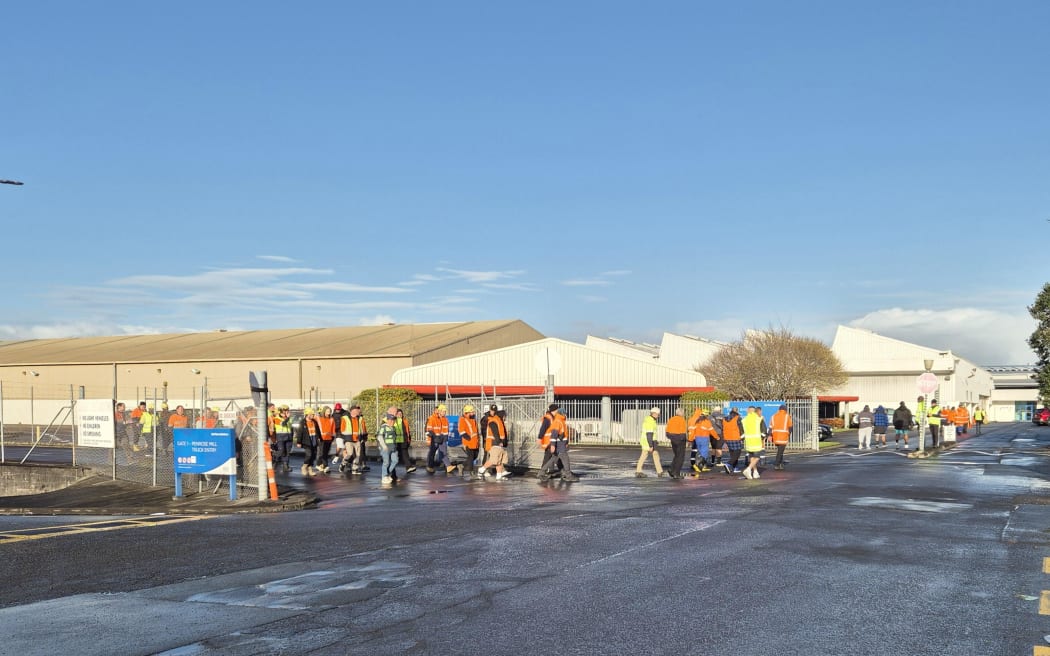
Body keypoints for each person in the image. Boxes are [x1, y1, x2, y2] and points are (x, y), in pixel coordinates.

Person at [537, 406, 579, 482]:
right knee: (565, 459)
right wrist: (552, 445)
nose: (566, 415)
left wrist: (566, 443)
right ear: (562, 414)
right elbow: (554, 434)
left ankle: (542, 473)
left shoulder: (559, 421)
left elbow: (562, 434)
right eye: (565, 414)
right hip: (559, 445)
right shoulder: (558, 421)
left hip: (559, 444)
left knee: (554, 459)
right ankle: (568, 475)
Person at [478, 404, 511, 479]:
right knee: (494, 460)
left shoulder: (498, 420)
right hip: (494, 443)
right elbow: (495, 432)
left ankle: (499, 475)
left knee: (499, 460)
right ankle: (481, 470)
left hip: (498, 443)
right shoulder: (493, 420)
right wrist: (499, 441)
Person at [425, 404, 456, 475]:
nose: (444, 413)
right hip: (435, 439)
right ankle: (430, 466)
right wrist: (434, 437)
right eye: (443, 411)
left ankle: (448, 466)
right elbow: (429, 429)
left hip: (442, 439)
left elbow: (446, 430)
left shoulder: (445, 419)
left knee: (443, 452)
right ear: (439, 411)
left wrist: (445, 437)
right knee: (432, 453)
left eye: (445, 411)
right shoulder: (432, 418)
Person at [636, 407, 666, 478]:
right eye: (658, 414)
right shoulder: (650, 421)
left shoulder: (650, 420)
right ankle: (638, 471)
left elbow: (652, 433)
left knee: (654, 455)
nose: (659, 416)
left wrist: (654, 441)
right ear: (654, 414)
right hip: (648, 442)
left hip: (650, 441)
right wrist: (650, 445)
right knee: (644, 455)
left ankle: (659, 471)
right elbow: (649, 433)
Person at [536, 404, 564, 475]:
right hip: (549, 441)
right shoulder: (548, 418)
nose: (558, 411)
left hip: (552, 441)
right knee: (550, 457)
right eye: (557, 410)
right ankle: (542, 472)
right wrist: (539, 438)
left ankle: (563, 471)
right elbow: (543, 429)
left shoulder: (552, 417)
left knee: (555, 456)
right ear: (554, 410)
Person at [740, 406, 766, 480]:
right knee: (757, 457)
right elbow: (764, 431)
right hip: (756, 441)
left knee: (751, 457)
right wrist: (762, 437)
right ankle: (748, 469)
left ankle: (755, 472)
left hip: (748, 442)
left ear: (747, 411)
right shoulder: (759, 419)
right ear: (754, 411)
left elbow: (741, 432)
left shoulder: (744, 420)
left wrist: (743, 439)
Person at [376, 407, 399, 485]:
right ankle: (384, 476)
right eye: (391, 420)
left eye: (394, 420)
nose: (392, 422)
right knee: (386, 462)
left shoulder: (393, 428)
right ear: (388, 420)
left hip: (393, 447)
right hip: (386, 448)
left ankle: (387, 473)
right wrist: (384, 446)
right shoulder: (384, 427)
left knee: (395, 460)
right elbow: (379, 436)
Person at [688, 409, 714, 475]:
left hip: (694, 437)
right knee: (702, 452)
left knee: (695, 451)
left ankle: (695, 464)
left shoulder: (691, 419)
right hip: (698, 437)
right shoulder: (699, 419)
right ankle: (698, 465)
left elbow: (689, 429)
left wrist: (690, 438)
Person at [458, 405, 481, 477]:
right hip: (468, 442)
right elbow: (461, 431)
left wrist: (478, 440)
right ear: (466, 413)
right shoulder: (462, 419)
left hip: (475, 442)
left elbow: (476, 431)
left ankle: (461, 466)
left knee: (475, 456)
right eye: (471, 412)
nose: (473, 413)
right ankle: (472, 472)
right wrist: (468, 438)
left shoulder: (473, 420)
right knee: (470, 458)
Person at [665, 408, 688, 479]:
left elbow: (667, 431)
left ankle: (672, 469)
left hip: (672, 438)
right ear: (681, 413)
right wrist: (684, 439)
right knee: (680, 457)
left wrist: (671, 437)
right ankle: (676, 473)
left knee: (676, 455)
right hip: (680, 439)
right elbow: (683, 431)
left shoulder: (671, 419)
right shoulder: (682, 420)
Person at [769, 404, 793, 470]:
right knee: (780, 451)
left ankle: (780, 464)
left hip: (775, 436)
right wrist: (789, 434)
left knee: (780, 450)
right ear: (785, 410)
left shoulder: (773, 416)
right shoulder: (787, 416)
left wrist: (770, 435)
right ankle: (776, 464)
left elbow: (770, 427)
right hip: (783, 436)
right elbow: (790, 426)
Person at [298, 407, 321, 476]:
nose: (312, 416)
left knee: (313, 456)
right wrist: (299, 442)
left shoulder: (314, 421)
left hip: (314, 440)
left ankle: (310, 469)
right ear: (307, 414)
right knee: (309, 455)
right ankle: (304, 467)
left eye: (313, 414)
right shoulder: (303, 422)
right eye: (311, 414)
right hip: (306, 441)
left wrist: (319, 437)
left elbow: (318, 430)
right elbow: (300, 432)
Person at [393, 408, 416, 475]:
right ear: (396, 414)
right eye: (398, 414)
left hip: (403, 441)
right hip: (396, 442)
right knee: (394, 457)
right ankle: (391, 471)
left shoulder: (405, 421)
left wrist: (408, 439)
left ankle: (408, 467)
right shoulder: (394, 421)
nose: (400, 415)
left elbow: (407, 431)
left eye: (401, 413)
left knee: (405, 454)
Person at [721, 409, 744, 474]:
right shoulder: (737, 418)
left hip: (727, 438)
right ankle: (729, 464)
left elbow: (723, 428)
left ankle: (735, 467)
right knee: (737, 452)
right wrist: (742, 438)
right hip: (735, 437)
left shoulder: (724, 419)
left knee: (732, 453)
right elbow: (741, 429)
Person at [272, 405, 294, 472]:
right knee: (281, 451)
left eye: (287, 411)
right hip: (281, 437)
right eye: (285, 411)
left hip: (288, 437)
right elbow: (283, 424)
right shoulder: (277, 418)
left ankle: (285, 466)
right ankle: (273, 460)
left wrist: (292, 436)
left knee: (287, 452)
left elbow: (291, 428)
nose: (286, 412)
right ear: (281, 411)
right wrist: (287, 418)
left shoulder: (289, 418)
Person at [316, 406, 336, 473]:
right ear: (324, 411)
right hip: (321, 438)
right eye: (327, 411)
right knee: (322, 452)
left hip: (329, 438)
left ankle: (320, 464)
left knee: (326, 453)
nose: (329, 413)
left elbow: (333, 429)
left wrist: (333, 437)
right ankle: (325, 465)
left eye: (330, 411)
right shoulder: (318, 418)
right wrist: (317, 437)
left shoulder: (331, 419)